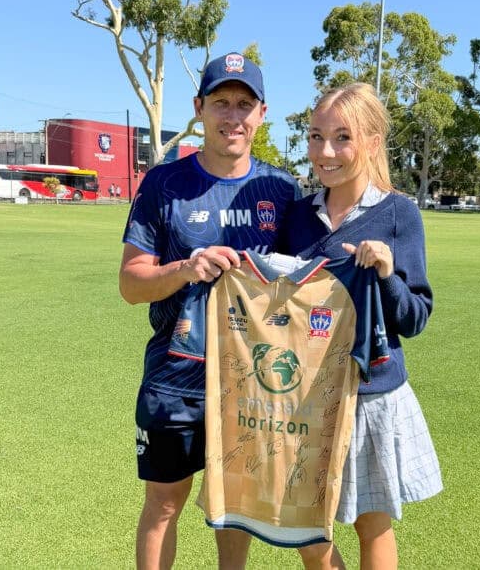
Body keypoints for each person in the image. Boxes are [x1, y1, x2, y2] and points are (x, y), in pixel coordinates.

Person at [119, 52, 300, 570]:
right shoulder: (163, 184)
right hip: (176, 377)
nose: (233, 116)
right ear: (199, 108)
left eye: (244, 104)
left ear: (262, 113)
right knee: (163, 505)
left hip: (252, 383)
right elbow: (131, 285)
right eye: (221, 102)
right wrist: (186, 267)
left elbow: (308, 282)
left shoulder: (282, 191)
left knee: (234, 511)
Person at [277, 82, 442, 569]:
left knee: (372, 525)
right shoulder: (297, 216)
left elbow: (415, 318)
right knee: (302, 523)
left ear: (371, 142)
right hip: (303, 394)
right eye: (315, 136)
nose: (325, 152)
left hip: (370, 395)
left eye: (342, 137)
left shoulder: (399, 214)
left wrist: (388, 274)